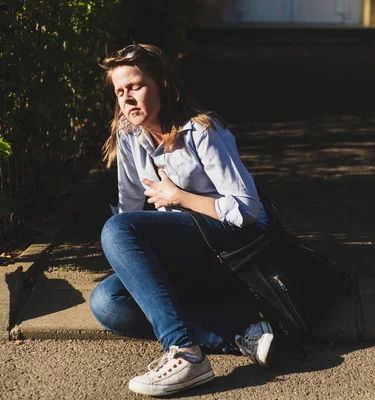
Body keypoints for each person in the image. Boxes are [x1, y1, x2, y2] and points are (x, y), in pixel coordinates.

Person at [89, 43, 276, 397]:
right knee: (107, 303)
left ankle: (185, 352)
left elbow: (248, 210)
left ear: (161, 83)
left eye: (136, 86)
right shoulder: (129, 135)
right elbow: (130, 207)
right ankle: (241, 333)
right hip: (186, 245)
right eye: (120, 91)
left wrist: (178, 197)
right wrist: (131, 264)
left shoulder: (203, 130)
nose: (127, 99)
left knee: (117, 228)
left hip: (234, 240)